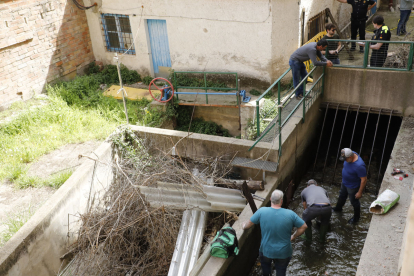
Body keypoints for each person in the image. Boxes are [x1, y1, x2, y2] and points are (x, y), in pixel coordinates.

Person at [242, 190, 307, 276]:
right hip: (283, 252)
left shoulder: (262, 211)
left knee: (266, 270)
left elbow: (248, 224)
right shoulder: (290, 214)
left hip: (266, 251)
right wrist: (293, 236)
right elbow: (304, 226)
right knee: (281, 272)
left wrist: (243, 226)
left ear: (270, 199)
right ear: (281, 200)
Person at [332, 148, 367, 224]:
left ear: (350, 157)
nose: (344, 161)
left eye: (345, 159)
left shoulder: (359, 166)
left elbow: (364, 180)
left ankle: (356, 218)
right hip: (344, 182)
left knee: (354, 201)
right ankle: (338, 208)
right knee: (342, 195)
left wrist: (360, 192)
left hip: (352, 186)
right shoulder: (351, 153)